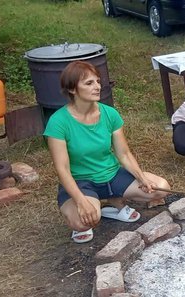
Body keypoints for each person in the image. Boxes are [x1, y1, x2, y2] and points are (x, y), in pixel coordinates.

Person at [44, 61, 170, 244]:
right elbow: (62, 168)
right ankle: (101, 204)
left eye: (97, 81)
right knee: (83, 222)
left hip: (112, 175)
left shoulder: (110, 114)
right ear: (72, 89)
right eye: (89, 83)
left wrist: (142, 178)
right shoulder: (58, 122)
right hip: (81, 181)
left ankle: (112, 201)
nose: (97, 87)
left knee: (161, 187)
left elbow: (124, 154)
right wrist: (80, 201)